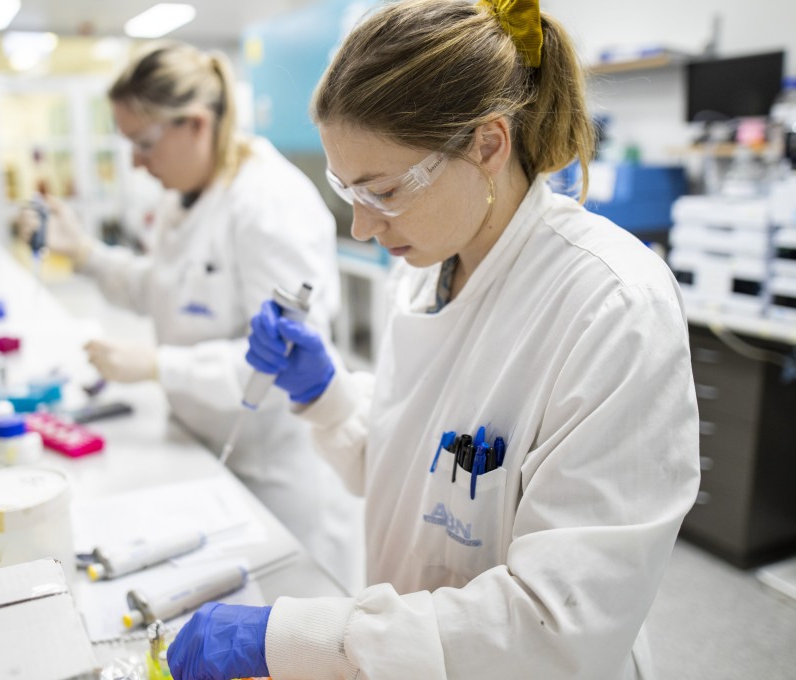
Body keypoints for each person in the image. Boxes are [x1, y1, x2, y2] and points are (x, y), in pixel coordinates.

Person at [165, 1, 700, 679]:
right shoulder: (424, 272)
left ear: (488, 144)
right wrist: (328, 395)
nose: (362, 226)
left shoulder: (611, 304)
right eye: (346, 189)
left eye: (382, 190)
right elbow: (419, 483)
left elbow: (560, 623)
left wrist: (299, 637)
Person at [21, 42, 363, 592]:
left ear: (196, 124)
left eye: (144, 142)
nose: (135, 160)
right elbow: (160, 288)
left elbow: (284, 359)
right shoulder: (184, 197)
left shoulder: (267, 202)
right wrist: (83, 253)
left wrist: (159, 365)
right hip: (208, 454)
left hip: (276, 476)